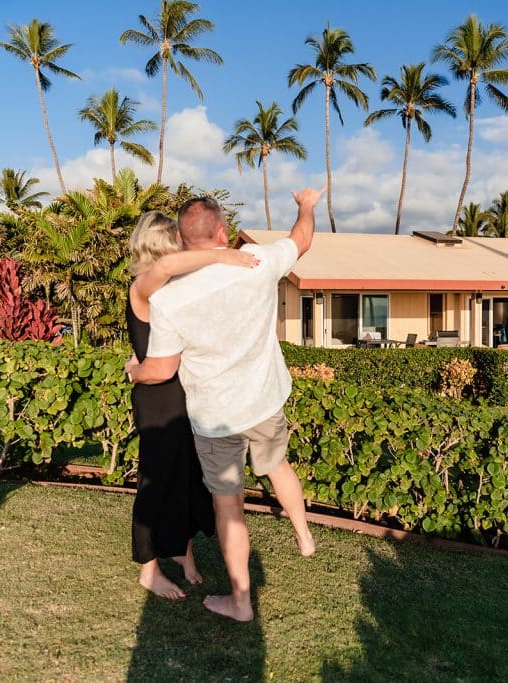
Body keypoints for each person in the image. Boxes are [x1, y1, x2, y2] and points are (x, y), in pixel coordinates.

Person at [126, 187, 325, 622]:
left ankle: (240, 601)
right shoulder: (257, 260)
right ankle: (304, 536)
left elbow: (160, 368)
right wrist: (306, 205)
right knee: (279, 467)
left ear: (180, 240)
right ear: (223, 230)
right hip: (265, 401)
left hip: (216, 420)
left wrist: (134, 371)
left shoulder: (169, 299)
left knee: (229, 506)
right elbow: (303, 239)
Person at [126, 211, 260, 600]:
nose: (186, 246)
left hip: (186, 395)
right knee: (157, 480)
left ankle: (183, 555)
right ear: (163, 244)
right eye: (179, 240)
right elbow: (167, 267)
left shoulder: (175, 291)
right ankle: (149, 569)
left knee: (187, 478)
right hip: (158, 400)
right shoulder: (143, 286)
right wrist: (222, 254)